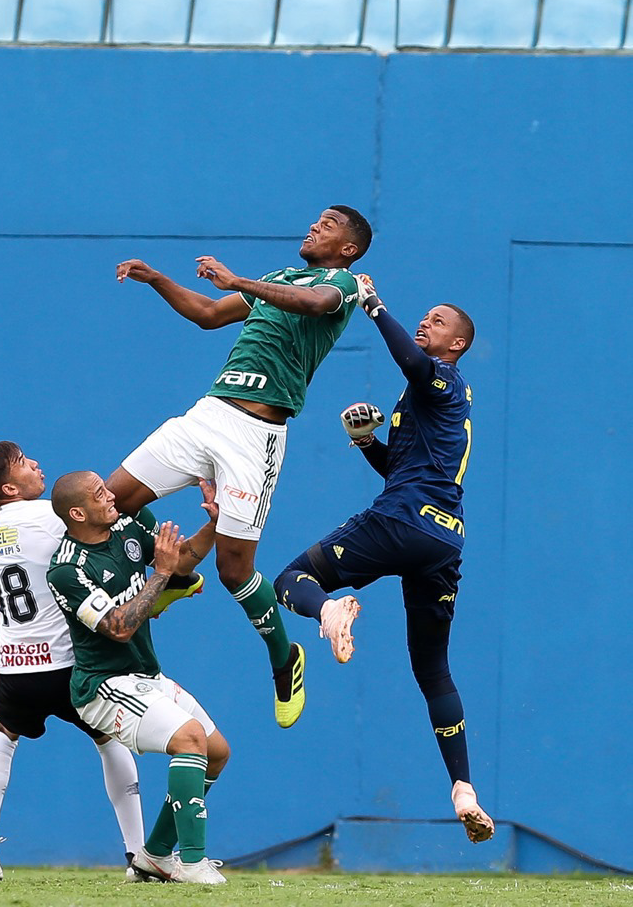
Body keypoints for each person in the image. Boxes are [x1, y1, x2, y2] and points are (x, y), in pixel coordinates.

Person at [105, 205, 373, 729]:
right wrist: (157, 279)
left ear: (349, 249)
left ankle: (284, 659)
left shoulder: (342, 284)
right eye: (316, 220)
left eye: (328, 225)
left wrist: (238, 280)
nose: (314, 226)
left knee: (234, 571)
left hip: (256, 437)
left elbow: (314, 303)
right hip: (207, 414)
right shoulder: (278, 277)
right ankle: (178, 572)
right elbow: (208, 313)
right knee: (111, 503)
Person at [272, 278, 495, 844]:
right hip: (443, 541)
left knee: (291, 579)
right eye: (426, 316)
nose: (426, 323)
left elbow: (413, 365)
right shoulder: (437, 397)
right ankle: (464, 789)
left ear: (458, 344)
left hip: (402, 521)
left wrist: (374, 306)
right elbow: (403, 469)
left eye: (438, 321)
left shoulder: (440, 376)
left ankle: (329, 611)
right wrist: (367, 441)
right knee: (432, 669)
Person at [0, 442, 202, 882]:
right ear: (9, 487)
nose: (36, 464)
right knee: (109, 739)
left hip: (13, 665)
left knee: (2, 733)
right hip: (69, 663)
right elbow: (105, 528)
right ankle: (136, 852)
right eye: (23, 464)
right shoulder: (48, 517)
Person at [46, 471, 230, 885]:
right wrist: (161, 574)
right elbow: (119, 628)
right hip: (103, 687)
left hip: (146, 674)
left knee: (216, 752)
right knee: (190, 739)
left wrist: (215, 525)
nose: (111, 496)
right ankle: (193, 862)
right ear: (78, 514)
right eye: (100, 494)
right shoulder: (66, 570)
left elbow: (181, 560)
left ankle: (155, 856)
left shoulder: (126, 524)